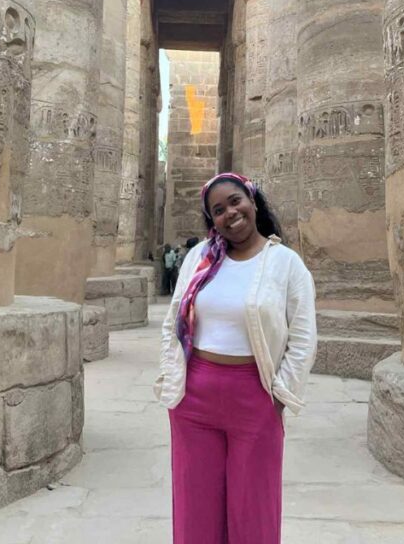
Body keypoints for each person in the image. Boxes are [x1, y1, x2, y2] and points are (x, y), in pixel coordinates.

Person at [154, 171, 317, 544]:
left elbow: (304, 339)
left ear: (252, 199)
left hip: (254, 396)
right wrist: (174, 381)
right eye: (218, 209)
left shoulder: (286, 264)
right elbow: (172, 322)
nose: (230, 212)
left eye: (235, 201)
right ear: (212, 220)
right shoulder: (199, 258)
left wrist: (278, 397)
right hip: (194, 399)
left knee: (253, 512)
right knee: (196, 511)